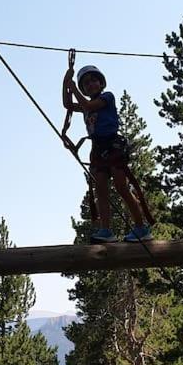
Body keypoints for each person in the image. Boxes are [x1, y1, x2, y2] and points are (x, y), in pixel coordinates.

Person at [61, 58, 153, 243]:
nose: (90, 85)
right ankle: (106, 230)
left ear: (101, 83)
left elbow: (87, 106)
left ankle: (141, 227)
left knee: (121, 186)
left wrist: (74, 87)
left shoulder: (107, 97)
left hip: (112, 145)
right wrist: (66, 81)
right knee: (100, 189)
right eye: (86, 83)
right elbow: (68, 105)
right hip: (97, 148)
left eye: (93, 80)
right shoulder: (86, 103)